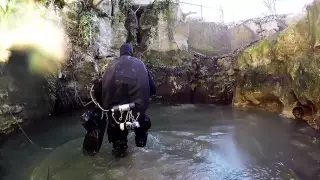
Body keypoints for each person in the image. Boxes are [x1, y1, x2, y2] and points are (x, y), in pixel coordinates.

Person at [88, 43, 156, 156]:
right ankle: (141, 145)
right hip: (137, 113)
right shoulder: (140, 64)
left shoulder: (111, 66)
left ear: (120, 53)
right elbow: (153, 88)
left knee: (119, 146)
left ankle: (120, 156)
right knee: (142, 131)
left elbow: (98, 89)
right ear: (131, 52)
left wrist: (104, 107)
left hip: (115, 113)